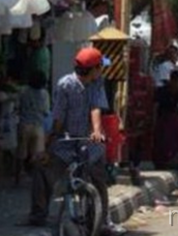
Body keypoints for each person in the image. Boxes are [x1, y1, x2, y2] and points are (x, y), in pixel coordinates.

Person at [20, 47, 125, 235]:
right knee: (42, 169)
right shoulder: (65, 85)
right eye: (100, 67)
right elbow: (59, 118)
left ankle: (102, 221)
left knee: (98, 179)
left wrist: (96, 131)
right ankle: (38, 215)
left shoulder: (97, 83)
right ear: (92, 69)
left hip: (89, 141)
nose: (101, 71)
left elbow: (95, 108)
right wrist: (50, 141)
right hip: (66, 141)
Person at [15, 70, 50, 184]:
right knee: (37, 155)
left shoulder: (23, 91)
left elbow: (17, 106)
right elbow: (46, 112)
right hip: (38, 126)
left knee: (21, 153)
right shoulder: (44, 94)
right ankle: (36, 179)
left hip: (24, 124)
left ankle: (18, 178)